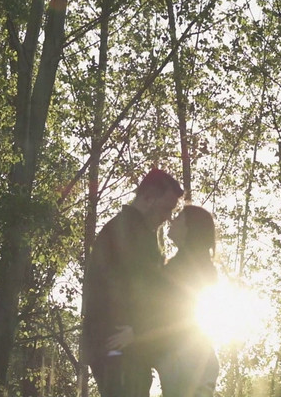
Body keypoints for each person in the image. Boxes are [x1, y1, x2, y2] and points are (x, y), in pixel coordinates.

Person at [82, 168, 183, 397]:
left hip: (126, 347)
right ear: (148, 198)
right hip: (117, 346)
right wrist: (138, 331)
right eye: (166, 208)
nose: (168, 217)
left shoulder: (145, 234)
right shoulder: (125, 232)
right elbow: (134, 293)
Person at [149, 205, 220, 397]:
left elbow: (167, 313)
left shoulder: (187, 268)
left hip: (187, 359)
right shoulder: (188, 265)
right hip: (191, 357)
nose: (172, 220)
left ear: (190, 228)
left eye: (179, 218)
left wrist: (135, 335)